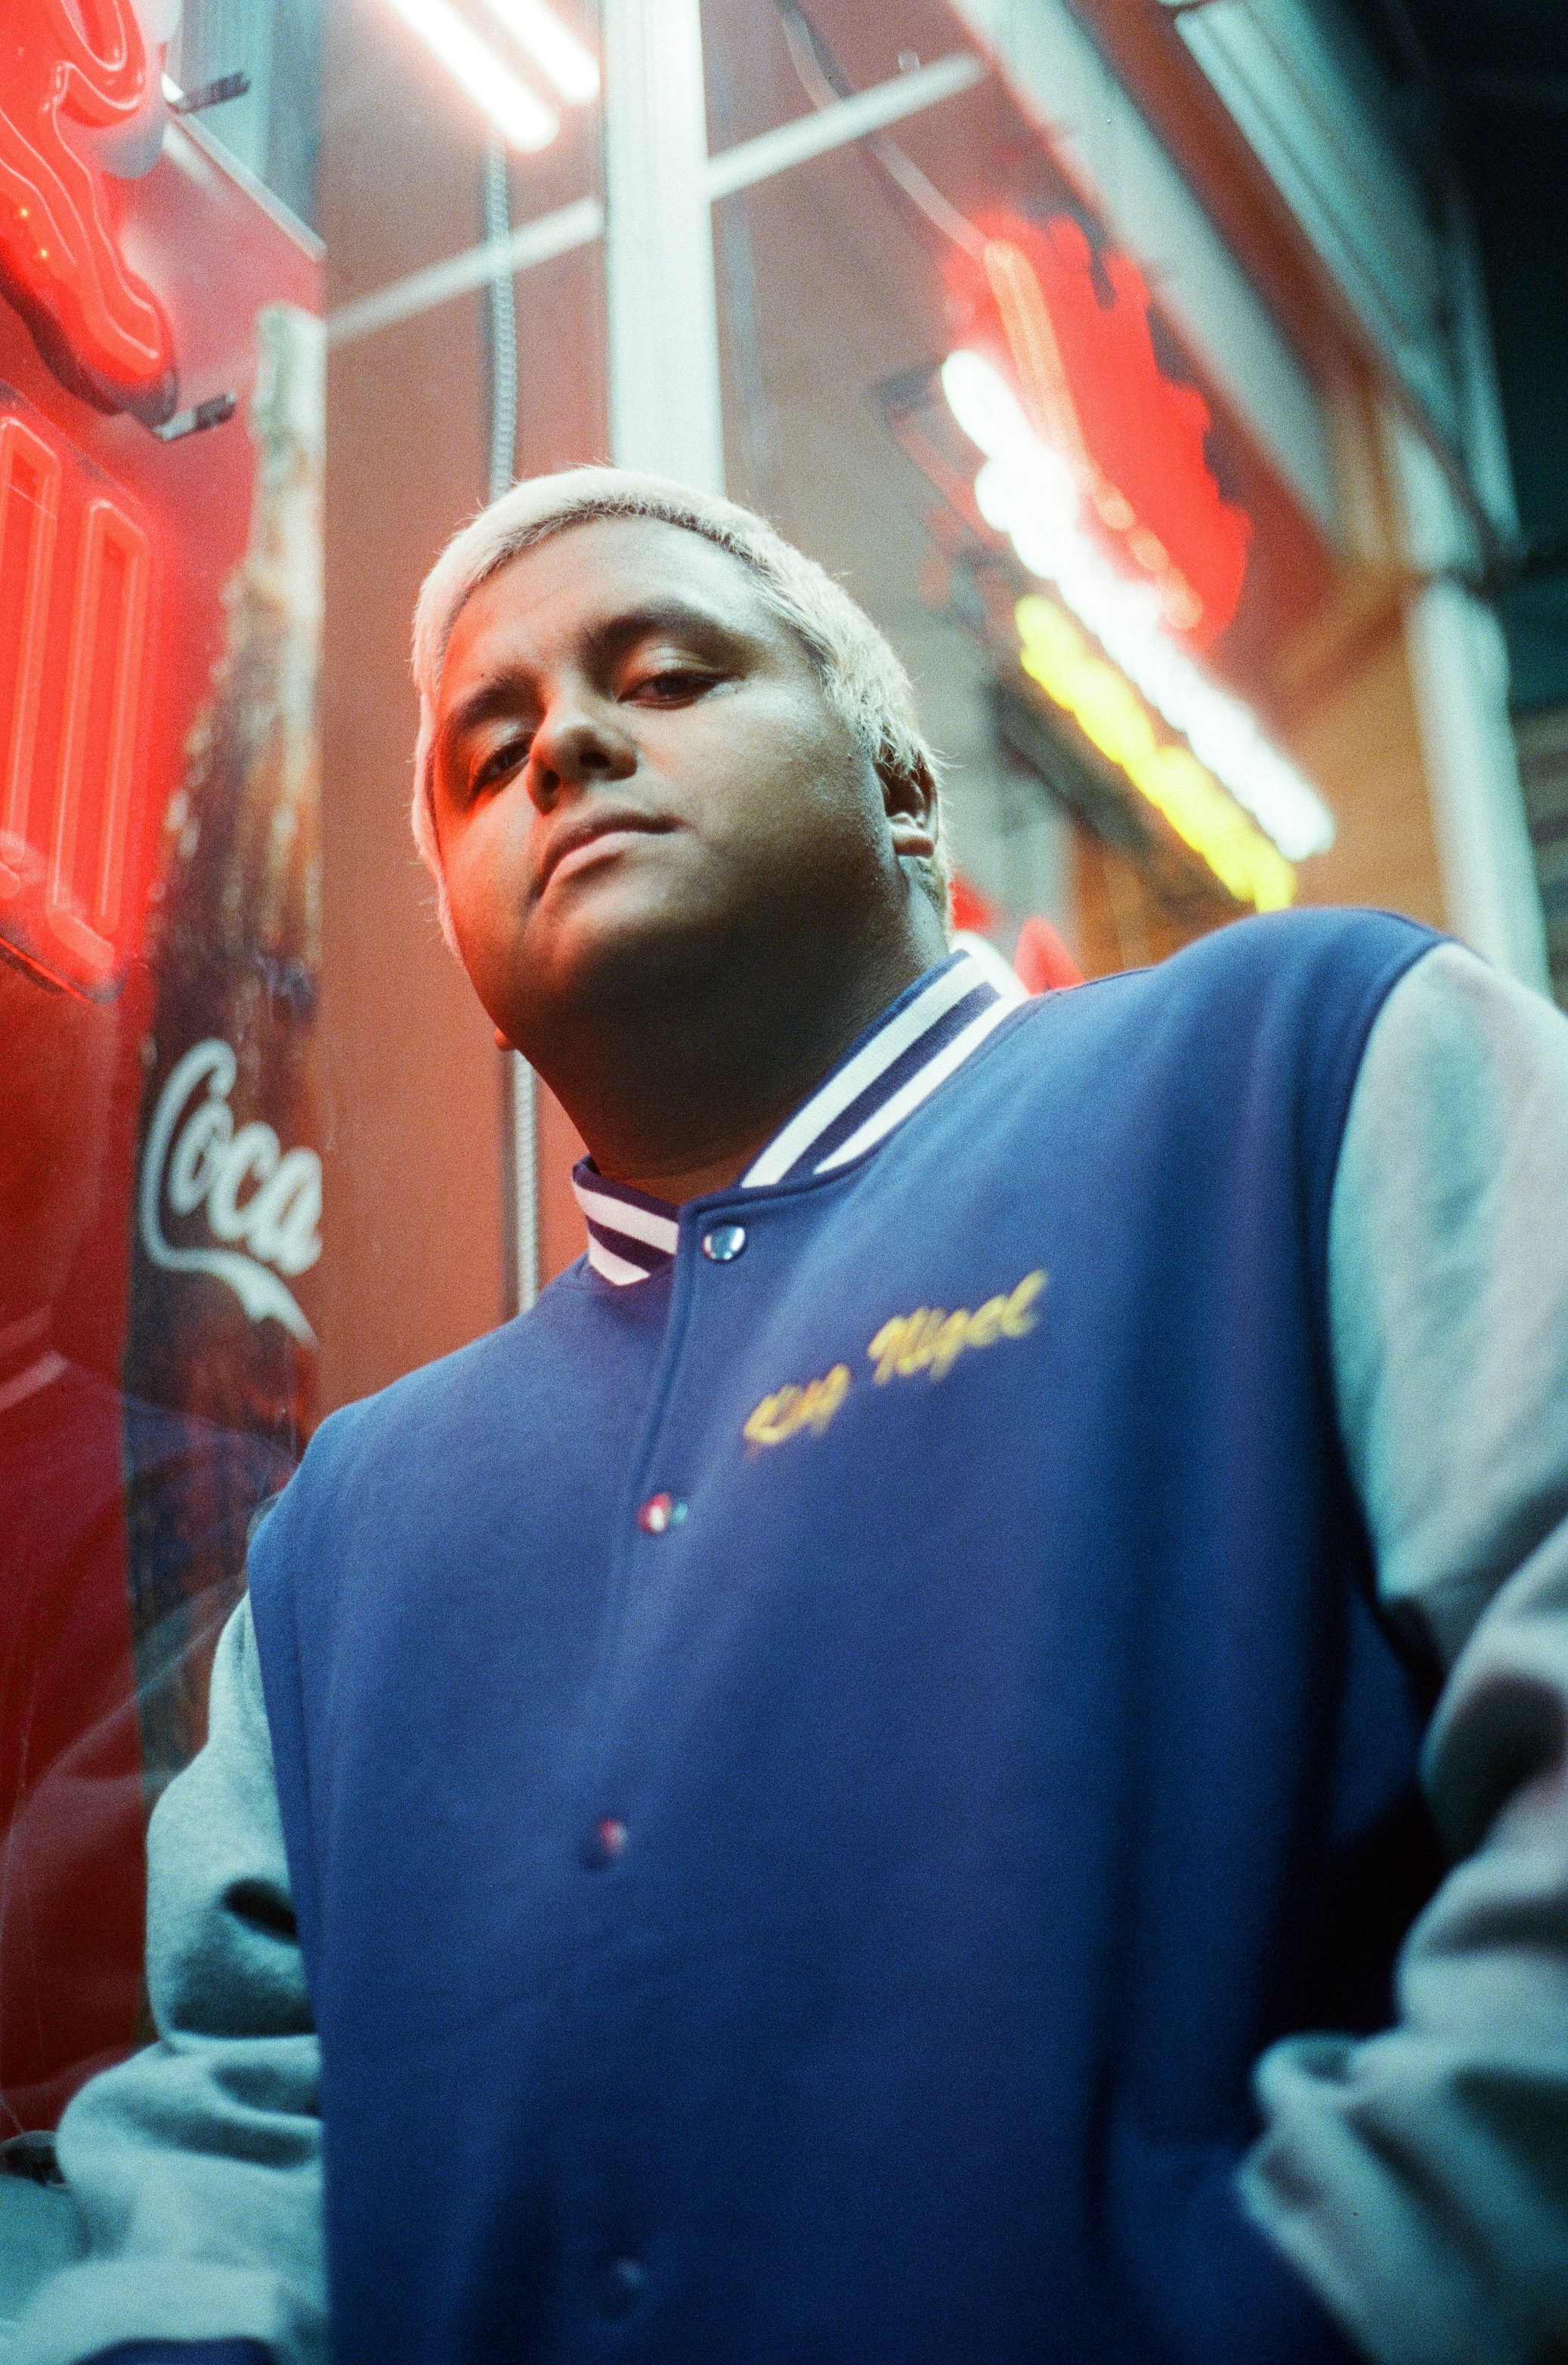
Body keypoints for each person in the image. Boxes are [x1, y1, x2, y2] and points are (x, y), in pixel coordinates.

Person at [11, 468, 1568, 2365]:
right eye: (486, 761)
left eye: (666, 674)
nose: (562, 746)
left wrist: (1349, 2296)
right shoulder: (354, 1519)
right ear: (473, 966)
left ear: (905, 783)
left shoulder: (1304, 1065)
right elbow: (238, 2127)